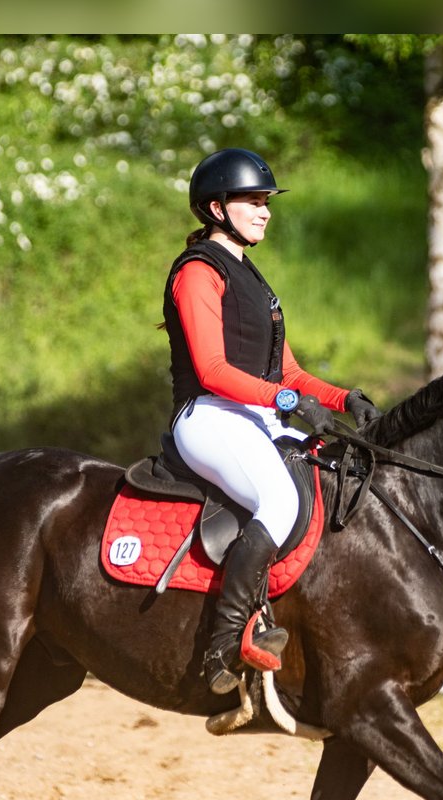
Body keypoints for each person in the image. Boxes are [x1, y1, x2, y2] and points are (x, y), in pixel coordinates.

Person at [162, 147, 382, 695]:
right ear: (216, 208)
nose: (265, 212)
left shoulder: (251, 277)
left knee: (333, 479)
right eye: (253, 202)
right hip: (209, 416)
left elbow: (288, 371)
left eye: (266, 203)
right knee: (280, 502)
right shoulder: (197, 273)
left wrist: (342, 397)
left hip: (252, 413)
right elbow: (212, 370)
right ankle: (225, 643)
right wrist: (285, 404)